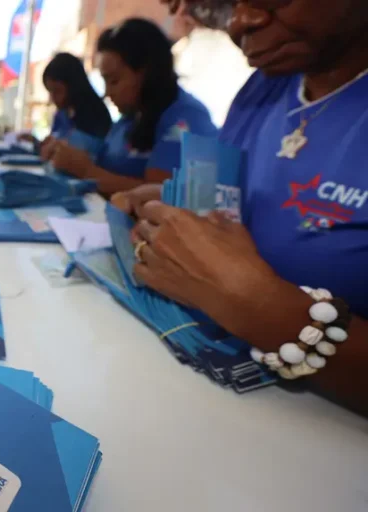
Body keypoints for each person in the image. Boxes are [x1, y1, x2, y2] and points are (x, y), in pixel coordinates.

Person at [117, 0, 368, 417]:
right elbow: (230, 213)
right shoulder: (264, 88)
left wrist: (260, 307)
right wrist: (177, 215)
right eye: (227, 5)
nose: (240, 22)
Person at [51, 19, 217, 197]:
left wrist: (86, 171)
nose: (107, 93)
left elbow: (160, 194)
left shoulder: (184, 117)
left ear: (147, 73)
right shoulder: (129, 118)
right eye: (105, 82)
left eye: (114, 81)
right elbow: (102, 160)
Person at [32, 52, 112, 163]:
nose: (52, 98)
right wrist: (39, 144)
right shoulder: (62, 113)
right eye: (50, 92)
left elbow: (89, 156)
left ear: (74, 86)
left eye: (57, 91)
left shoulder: (95, 116)